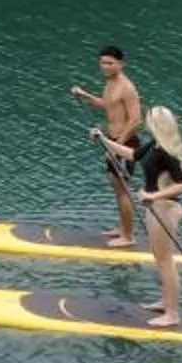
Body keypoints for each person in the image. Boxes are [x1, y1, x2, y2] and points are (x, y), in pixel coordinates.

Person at [95, 106, 182, 328]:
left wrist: (153, 195)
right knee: (160, 259)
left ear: (156, 124)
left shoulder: (167, 153)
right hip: (156, 207)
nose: (146, 123)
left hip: (165, 208)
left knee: (166, 261)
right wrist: (103, 139)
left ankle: (173, 314)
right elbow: (130, 153)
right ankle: (165, 302)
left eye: (149, 119)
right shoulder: (153, 146)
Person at [69, 47, 143, 246]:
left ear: (121, 64)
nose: (105, 67)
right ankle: (121, 228)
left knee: (123, 190)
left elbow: (136, 120)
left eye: (110, 63)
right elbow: (107, 104)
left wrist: (116, 146)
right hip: (112, 140)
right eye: (103, 63)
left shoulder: (127, 87)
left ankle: (128, 236)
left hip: (124, 143)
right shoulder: (110, 82)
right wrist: (84, 95)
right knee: (116, 187)